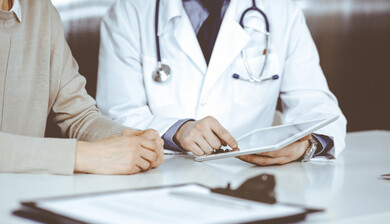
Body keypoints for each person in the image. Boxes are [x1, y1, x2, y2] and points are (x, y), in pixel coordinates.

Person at [97, 0, 347, 165]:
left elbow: (316, 103)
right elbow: (116, 113)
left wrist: (307, 145)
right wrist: (177, 130)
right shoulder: (131, 12)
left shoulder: (280, 10)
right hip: (158, 178)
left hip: (252, 182)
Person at [0, 0, 164, 175]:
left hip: (24, 193)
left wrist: (131, 139)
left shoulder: (42, 11)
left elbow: (78, 116)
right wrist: (82, 155)